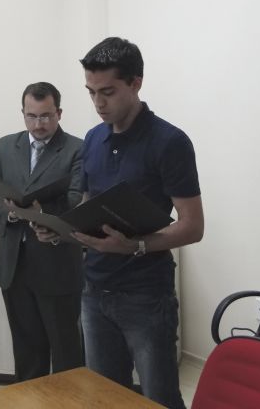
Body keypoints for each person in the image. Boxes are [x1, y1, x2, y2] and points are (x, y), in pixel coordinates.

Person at [74, 37, 204, 408]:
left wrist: (135, 246)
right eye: (91, 92)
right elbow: (87, 206)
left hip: (145, 295)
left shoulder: (169, 142)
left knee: (158, 398)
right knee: (105, 399)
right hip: (94, 290)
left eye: (108, 92)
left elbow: (193, 226)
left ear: (136, 83)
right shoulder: (93, 138)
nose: (98, 103)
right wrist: (62, 230)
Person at [0, 82, 84, 381]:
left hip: (56, 263)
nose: (38, 124)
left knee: (66, 350)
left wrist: (44, 214)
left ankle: (69, 401)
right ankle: (31, 398)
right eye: (31, 116)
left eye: (45, 116)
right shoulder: (6, 145)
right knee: (27, 350)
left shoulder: (77, 148)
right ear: (23, 113)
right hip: (14, 264)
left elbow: (76, 199)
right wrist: (11, 212)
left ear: (59, 113)